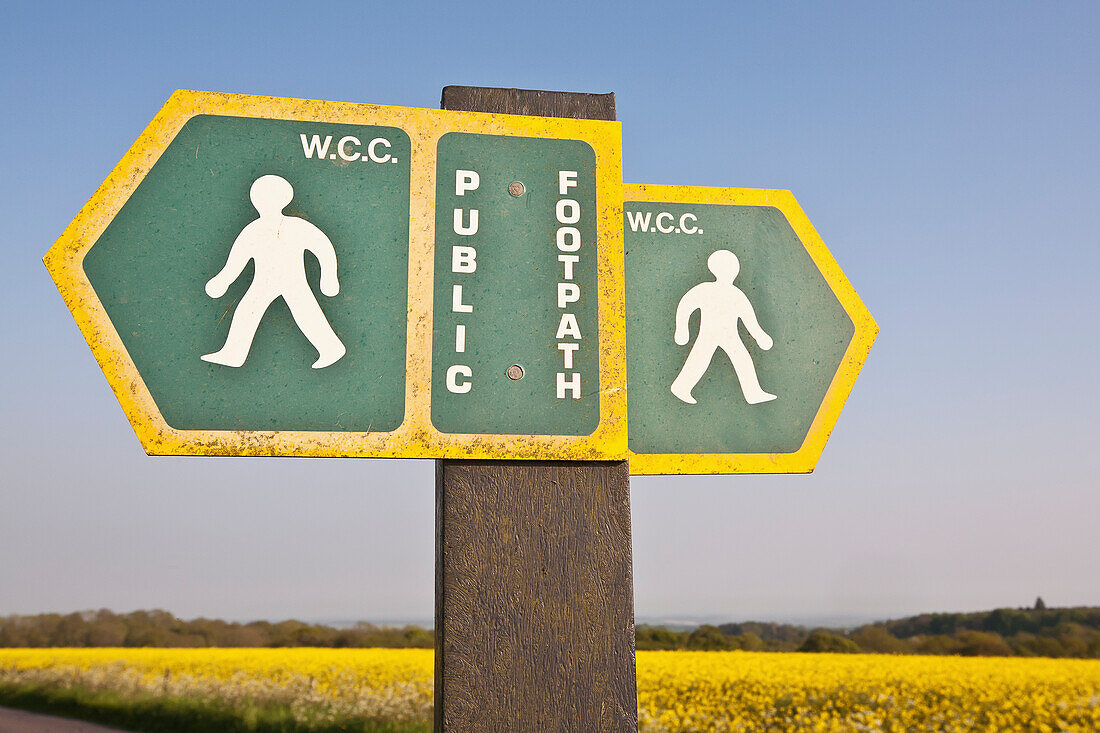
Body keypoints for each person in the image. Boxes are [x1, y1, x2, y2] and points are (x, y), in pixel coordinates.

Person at [201, 175, 346, 369]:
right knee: (247, 311)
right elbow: (236, 260)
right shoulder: (253, 230)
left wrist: (329, 276)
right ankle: (233, 353)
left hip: (293, 280)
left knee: (306, 312)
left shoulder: (295, 226)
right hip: (264, 282)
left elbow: (322, 247)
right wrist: (223, 280)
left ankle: (331, 348)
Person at [670, 249, 777, 405]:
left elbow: (749, 318)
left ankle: (753, 393)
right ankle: (681, 387)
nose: (732, 270)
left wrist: (760, 335)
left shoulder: (737, 294)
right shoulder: (705, 289)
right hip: (708, 333)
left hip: (730, 335)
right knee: (699, 359)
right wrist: (681, 329)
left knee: (743, 359)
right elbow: (686, 305)